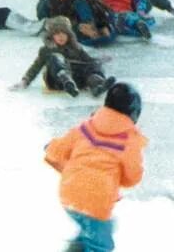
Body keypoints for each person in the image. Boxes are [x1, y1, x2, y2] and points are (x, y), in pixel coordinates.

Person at [43, 83, 146, 252]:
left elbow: (58, 150)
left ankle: (77, 248)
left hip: (69, 194)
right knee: (101, 245)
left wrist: (49, 147)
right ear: (134, 113)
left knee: (92, 231)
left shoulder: (86, 127)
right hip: (97, 202)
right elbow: (132, 178)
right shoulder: (129, 140)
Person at [11, 17, 115, 97]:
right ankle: (66, 80)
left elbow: (88, 61)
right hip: (56, 80)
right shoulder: (47, 49)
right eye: (57, 34)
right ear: (52, 36)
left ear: (69, 35)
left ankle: (97, 85)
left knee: (93, 66)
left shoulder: (76, 48)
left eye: (63, 34)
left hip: (76, 79)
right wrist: (24, 81)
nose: (60, 37)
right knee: (56, 58)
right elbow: (35, 67)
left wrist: (99, 61)